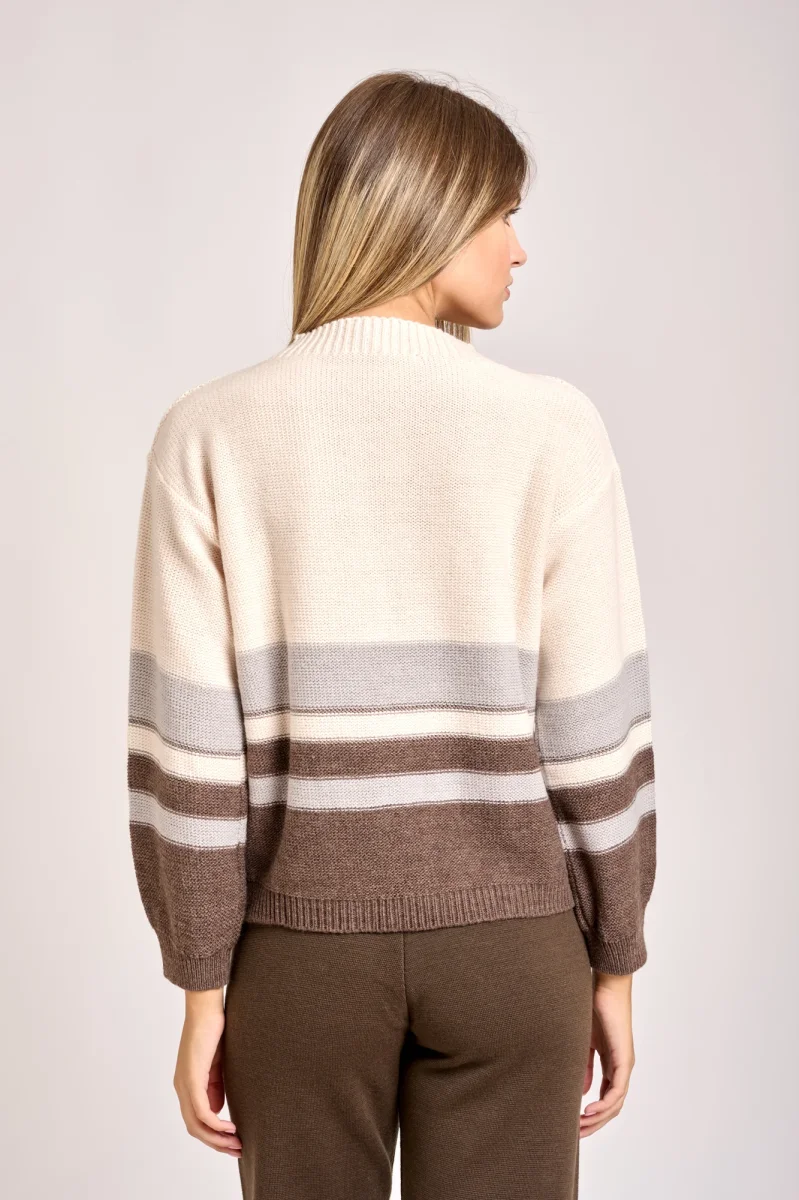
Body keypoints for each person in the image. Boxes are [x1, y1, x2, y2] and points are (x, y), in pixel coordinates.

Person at [126, 69, 657, 1199]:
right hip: (513, 954)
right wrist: (615, 956)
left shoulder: (208, 434)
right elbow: (594, 732)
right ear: (430, 211)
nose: (519, 249)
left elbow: (189, 751)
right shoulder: (552, 430)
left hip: (297, 963)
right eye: (503, 212)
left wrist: (202, 982)